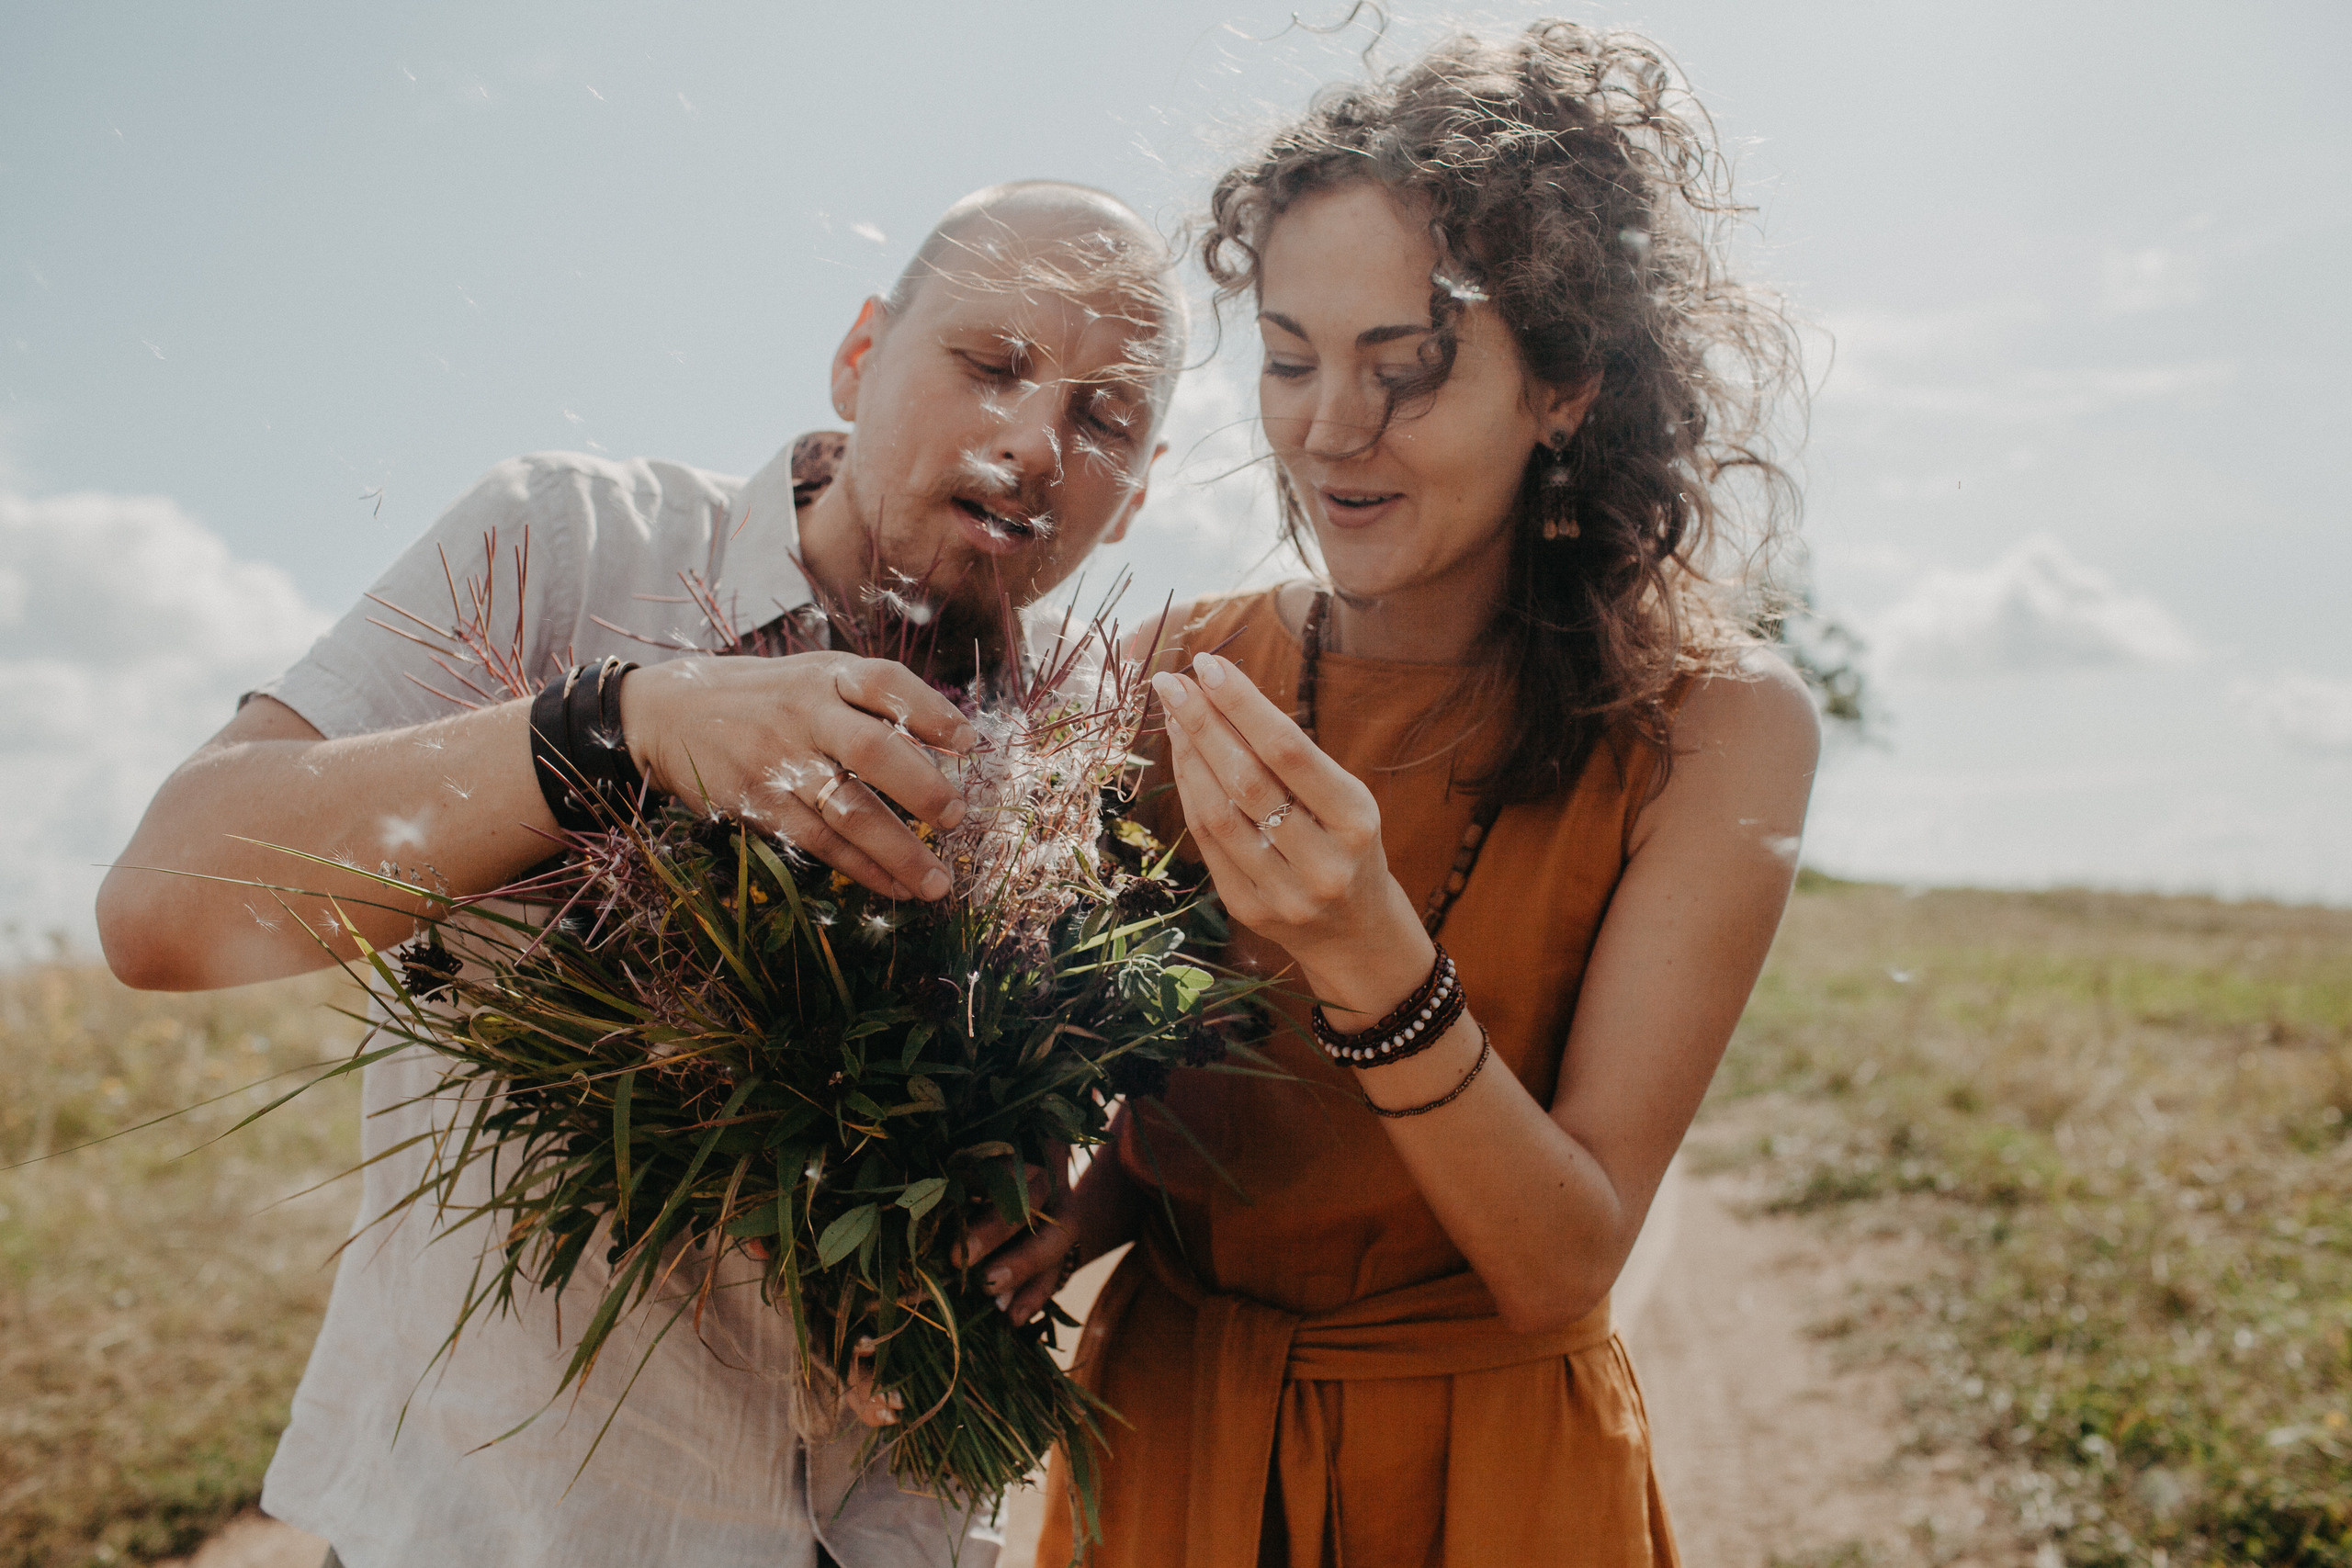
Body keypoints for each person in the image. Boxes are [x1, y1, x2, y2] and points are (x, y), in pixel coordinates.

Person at [96, 180, 1182, 1568]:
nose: (1035, 441)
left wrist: (1015, 1203)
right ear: (859, 355)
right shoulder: (568, 545)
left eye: (1103, 418)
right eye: (992, 363)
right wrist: (620, 729)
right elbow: (164, 905)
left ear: (1140, 492)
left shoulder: (1073, 775)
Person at [979, 25, 1820, 1567]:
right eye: (1291, 359)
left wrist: (1372, 953)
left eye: (1407, 368)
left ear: (1564, 385)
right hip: (1167, 1442)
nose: (1328, 429)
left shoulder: (1718, 727)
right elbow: (1182, 1081)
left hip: (1489, 1482)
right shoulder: (1178, 675)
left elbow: (1565, 1260)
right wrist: (1076, 1209)